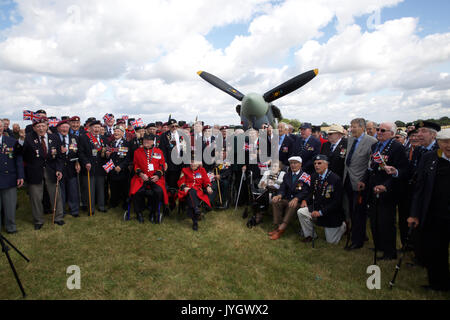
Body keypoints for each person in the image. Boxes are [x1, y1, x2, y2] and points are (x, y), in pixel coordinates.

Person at [408, 128, 450, 292]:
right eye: (444, 141)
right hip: (435, 213)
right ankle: (439, 284)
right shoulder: (429, 158)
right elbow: (420, 188)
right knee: (436, 250)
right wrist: (414, 214)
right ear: (438, 142)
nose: (448, 145)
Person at [359, 122, 408, 260]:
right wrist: (363, 180)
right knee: (374, 219)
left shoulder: (397, 147)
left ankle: (389, 252)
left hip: (388, 191)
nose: (379, 132)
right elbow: (371, 168)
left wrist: (386, 186)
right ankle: (379, 245)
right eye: (378, 129)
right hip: (373, 189)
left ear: (391, 134)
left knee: (386, 222)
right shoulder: (375, 146)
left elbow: (403, 170)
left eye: (382, 130)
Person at [22, 117, 64, 229]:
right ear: (34, 128)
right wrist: (21, 141)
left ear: (47, 126)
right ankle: (38, 220)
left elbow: (59, 157)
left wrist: (59, 169)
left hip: (52, 171)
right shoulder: (29, 138)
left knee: (56, 194)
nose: (41, 128)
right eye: (38, 126)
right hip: (34, 172)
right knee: (36, 197)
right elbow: (23, 154)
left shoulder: (54, 137)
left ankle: (58, 217)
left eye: (43, 126)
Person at [343, 118, 377, 250]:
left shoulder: (371, 141)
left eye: (354, 127)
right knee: (351, 210)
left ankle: (357, 241)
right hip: (347, 180)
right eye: (351, 126)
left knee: (359, 212)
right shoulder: (350, 139)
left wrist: (364, 180)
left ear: (362, 128)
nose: (351, 129)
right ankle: (360, 234)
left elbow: (370, 164)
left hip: (359, 183)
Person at [297, 155, 346, 244]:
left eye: (319, 163)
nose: (316, 165)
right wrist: (305, 200)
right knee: (301, 212)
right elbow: (311, 193)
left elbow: (337, 202)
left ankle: (342, 226)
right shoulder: (314, 176)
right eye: (315, 163)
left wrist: (320, 212)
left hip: (331, 212)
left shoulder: (335, 179)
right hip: (317, 207)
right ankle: (310, 235)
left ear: (326, 165)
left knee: (331, 242)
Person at [129, 133, 168, 223]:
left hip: (155, 178)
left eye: (149, 140)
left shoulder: (158, 151)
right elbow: (136, 165)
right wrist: (141, 174)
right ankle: (139, 213)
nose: (146, 141)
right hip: (141, 178)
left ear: (152, 142)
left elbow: (162, 165)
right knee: (137, 192)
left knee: (158, 191)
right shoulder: (137, 151)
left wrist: (158, 175)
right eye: (145, 140)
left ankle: (153, 212)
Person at [270, 156, 310, 240]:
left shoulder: (305, 176)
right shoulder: (287, 175)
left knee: (292, 204)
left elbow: (305, 191)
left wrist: (296, 198)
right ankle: (278, 226)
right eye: (291, 163)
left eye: (295, 163)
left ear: (300, 164)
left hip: (298, 201)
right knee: (275, 201)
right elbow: (282, 188)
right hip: (287, 199)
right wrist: (279, 195)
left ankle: (281, 229)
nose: (293, 165)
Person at [79, 120, 107, 215]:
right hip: (89, 167)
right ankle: (90, 208)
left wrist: (107, 153)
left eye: (98, 127)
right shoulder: (84, 138)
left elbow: (105, 151)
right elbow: (81, 153)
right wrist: (86, 162)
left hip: (100, 167)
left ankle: (101, 206)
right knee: (89, 189)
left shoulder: (103, 138)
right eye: (95, 127)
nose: (96, 129)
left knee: (100, 188)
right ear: (90, 128)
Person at [0, 121, 24, 234]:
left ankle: (11, 227)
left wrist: (20, 176)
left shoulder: (12, 141)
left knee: (10, 206)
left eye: (0, 126)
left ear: (3, 128)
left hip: (9, 178)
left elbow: (19, 160)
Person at [177, 160, 213, 231]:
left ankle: (195, 211)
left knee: (192, 194)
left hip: (198, 191)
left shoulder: (202, 170)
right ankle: (196, 216)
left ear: (199, 163)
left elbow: (206, 181)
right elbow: (181, 181)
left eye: (195, 162)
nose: (193, 164)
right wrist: (184, 187)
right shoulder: (184, 170)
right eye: (191, 162)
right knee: (191, 191)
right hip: (186, 191)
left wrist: (208, 187)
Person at [56, 120, 81, 218]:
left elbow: (77, 152)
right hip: (60, 168)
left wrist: (77, 162)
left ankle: (74, 210)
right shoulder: (54, 138)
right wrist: (60, 152)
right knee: (61, 192)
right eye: (62, 127)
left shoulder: (74, 138)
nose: (64, 129)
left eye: (66, 127)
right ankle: (61, 211)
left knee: (73, 190)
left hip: (71, 167)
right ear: (58, 128)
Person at [160, 119, 184, 211]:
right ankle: (171, 203)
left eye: (176, 126)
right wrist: (165, 162)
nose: (174, 128)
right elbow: (162, 151)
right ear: (169, 127)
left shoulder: (182, 136)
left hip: (181, 164)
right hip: (170, 165)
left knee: (180, 184)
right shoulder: (164, 136)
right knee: (171, 185)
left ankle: (181, 203)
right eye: (172, 126)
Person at [106, 125, 131, 211]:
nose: (116, 133)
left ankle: (125, 204)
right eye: (115, 131)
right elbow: (108, 156)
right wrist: (107, 155)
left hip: (122, 170)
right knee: (113, 187)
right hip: (112, 169)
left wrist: (121, 166)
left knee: (124, 188)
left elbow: (128, 158)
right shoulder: (111, 143)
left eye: (118, 131)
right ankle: (113, 203)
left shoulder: (126, 143)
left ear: (122, 133)